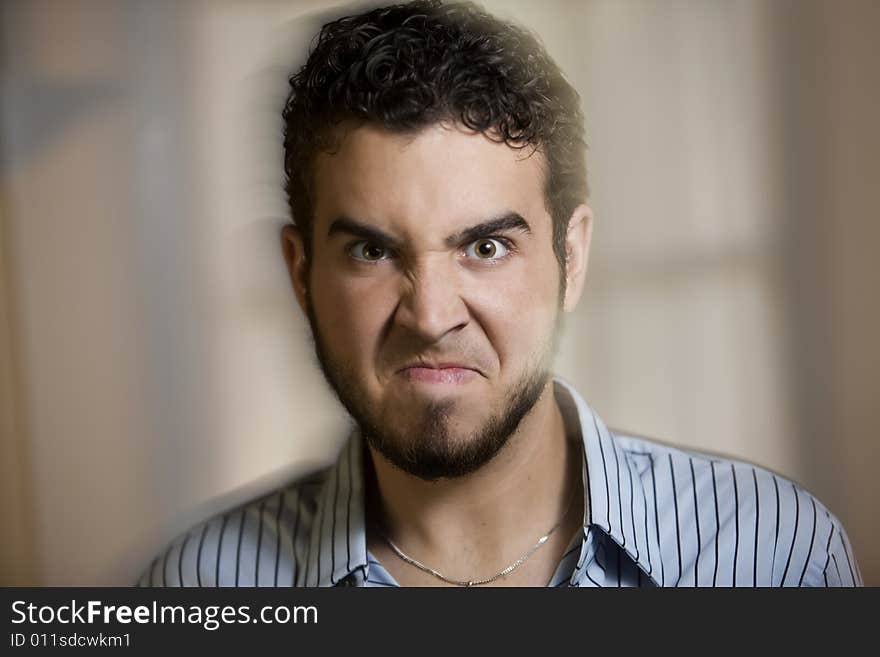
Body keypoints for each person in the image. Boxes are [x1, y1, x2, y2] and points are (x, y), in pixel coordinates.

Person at [139, 0, 861, 587]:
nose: (430, 314)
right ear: (300, 274)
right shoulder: (199, 587)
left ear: (569, 259)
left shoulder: (776, 557)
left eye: (485, 247)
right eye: (371, 250)